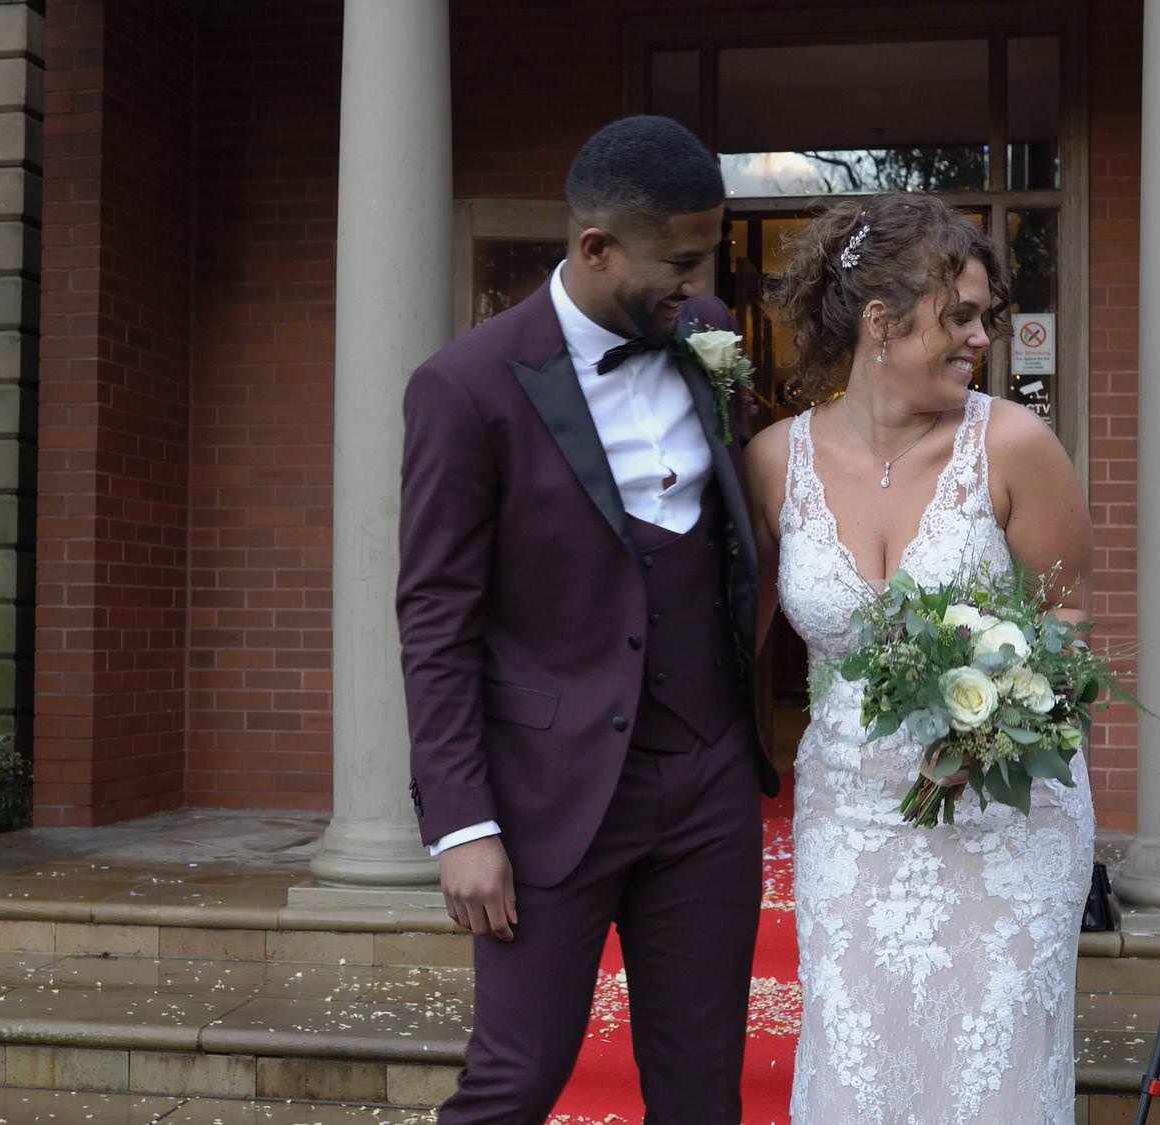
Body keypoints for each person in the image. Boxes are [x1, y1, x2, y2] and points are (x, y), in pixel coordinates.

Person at [397, 115, 778, 1125]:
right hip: (546, 798)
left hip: (705, 783)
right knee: (515, 1081)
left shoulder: (707, 345)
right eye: (681, 263)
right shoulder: (463, 388)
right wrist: (460, 824)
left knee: (700, 1084)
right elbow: (434, 617)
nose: (697, 287)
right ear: (595, 249)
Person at [742, 192, 1096, 1123]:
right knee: (861, 1061)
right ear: (880, 323)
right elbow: (736, 636)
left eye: (986, 316)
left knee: (991, 1070)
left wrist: (1012, 724)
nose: (983, 337)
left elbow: (1071, 621)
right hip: (851, 817)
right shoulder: (776, 461)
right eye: (963, 316)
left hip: (1006, 819)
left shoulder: (1015, 445)